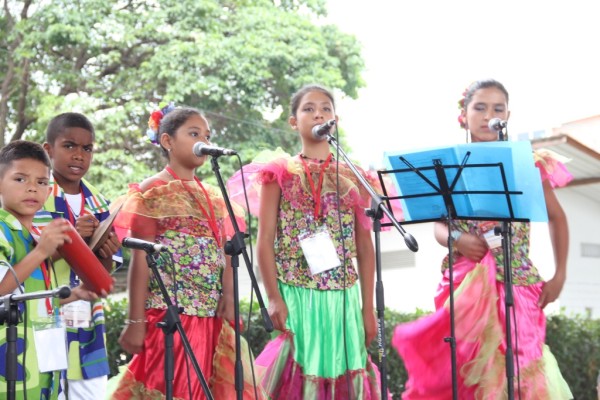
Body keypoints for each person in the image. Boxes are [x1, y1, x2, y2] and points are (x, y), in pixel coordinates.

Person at [392, 79, 573, 399]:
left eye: (497, 108)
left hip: (517, 282)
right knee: (466, 369)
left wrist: (560, 274)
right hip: (465, 283)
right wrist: (458, 238)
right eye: (480, 107)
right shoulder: (446, 164)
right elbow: (439, 226)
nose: (489, 113)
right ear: (463, 115)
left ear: (507, 115)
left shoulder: (526, 161)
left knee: (520, 368)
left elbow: (557, 218)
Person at [228, 84, 386, 398]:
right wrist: (273, 297)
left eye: (326, 108)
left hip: (343, 295)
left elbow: (365, 247)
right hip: (295, 291)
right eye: (309, 108)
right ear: (293, 121)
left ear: (335, 120)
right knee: (297, 372)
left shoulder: (352, 176)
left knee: (346, 372)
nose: (318, 113)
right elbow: (264, 242)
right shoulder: (280, 173)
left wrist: (368, 309)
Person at [109, 104, 264, 399]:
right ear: (167, 141)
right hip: (169, 317)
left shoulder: (216, 197)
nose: (203, 141)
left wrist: (229, 296)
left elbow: (229, 252)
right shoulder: (152, 190)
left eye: (206, 134)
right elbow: (141, 257)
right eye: (194, 134)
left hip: (211, 319)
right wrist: (135, 321)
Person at [33, 112, 121, 399]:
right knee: (46, 388)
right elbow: (27, 261)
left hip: (86, 319)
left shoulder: (99, 201)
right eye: (69, 146)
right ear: (48, 150)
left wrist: (105, 251)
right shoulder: (33, 195)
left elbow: (103, 275)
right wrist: (73, 240)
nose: (79, 155)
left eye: (87, 148)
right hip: (44, 315)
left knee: (89, 392)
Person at [0, 140, 73, 399]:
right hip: (9, 367)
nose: (32, 187)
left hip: (43, 358)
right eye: (20, 179)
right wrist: (42, 251)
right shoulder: (2, 229)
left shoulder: (39, 233)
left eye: (42, 182)